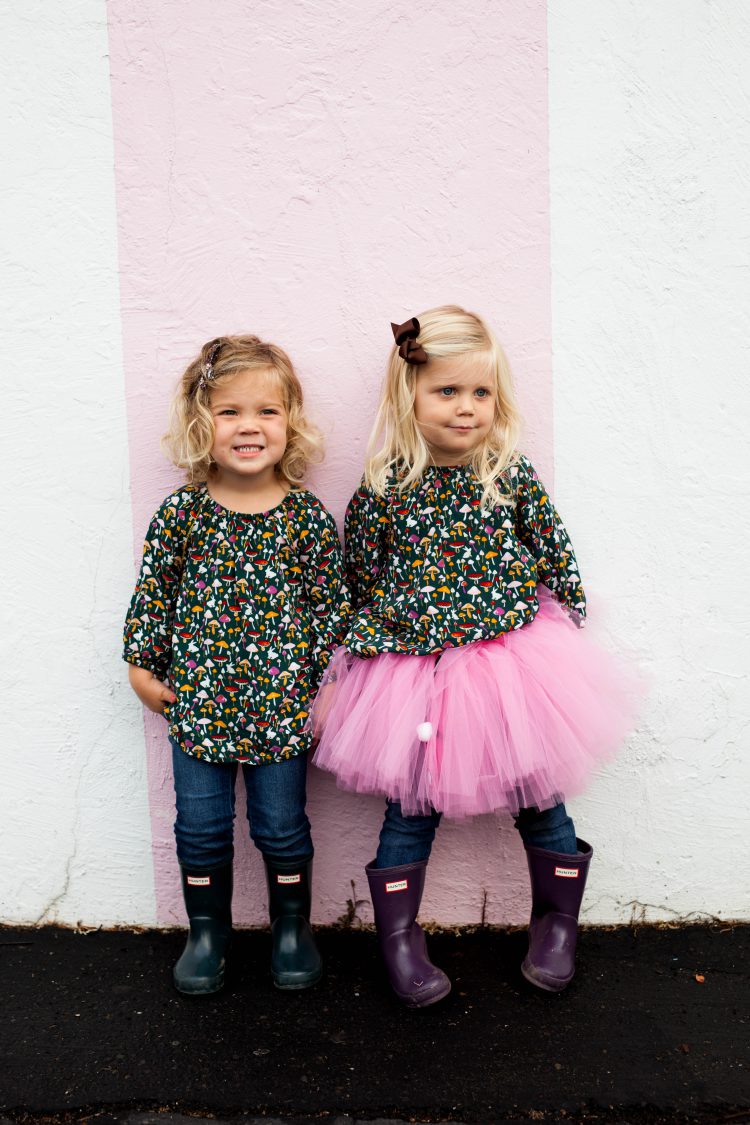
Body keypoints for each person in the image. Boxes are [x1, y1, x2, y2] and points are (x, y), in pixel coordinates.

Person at [311, 306, 636, 1008]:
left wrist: (570, 617)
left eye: (480, 393)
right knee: (409, 808)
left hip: (509, 665)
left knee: (540, 796)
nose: (466, 408)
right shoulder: (385, 486)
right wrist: (363, 645)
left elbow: (552, 547)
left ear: (498, 401)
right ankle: (398, 939)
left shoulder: (508, 474)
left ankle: (556, 923)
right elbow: (359, 573)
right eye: (447, 391)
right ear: (411, 395)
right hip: (415, 675)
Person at [124, 335, 350, 995]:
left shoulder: (305, 519)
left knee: (281, 825)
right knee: (199, 825)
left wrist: (330, 686)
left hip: (283, 711)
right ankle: (206, 930)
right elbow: (153, 596)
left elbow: (330, 610)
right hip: (197, 706)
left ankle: (290, 927)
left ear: (290, 422)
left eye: (267, 411)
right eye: (230, 412)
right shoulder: (183, 515)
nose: (249, 425)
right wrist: (143, 667)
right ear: (202, 423)